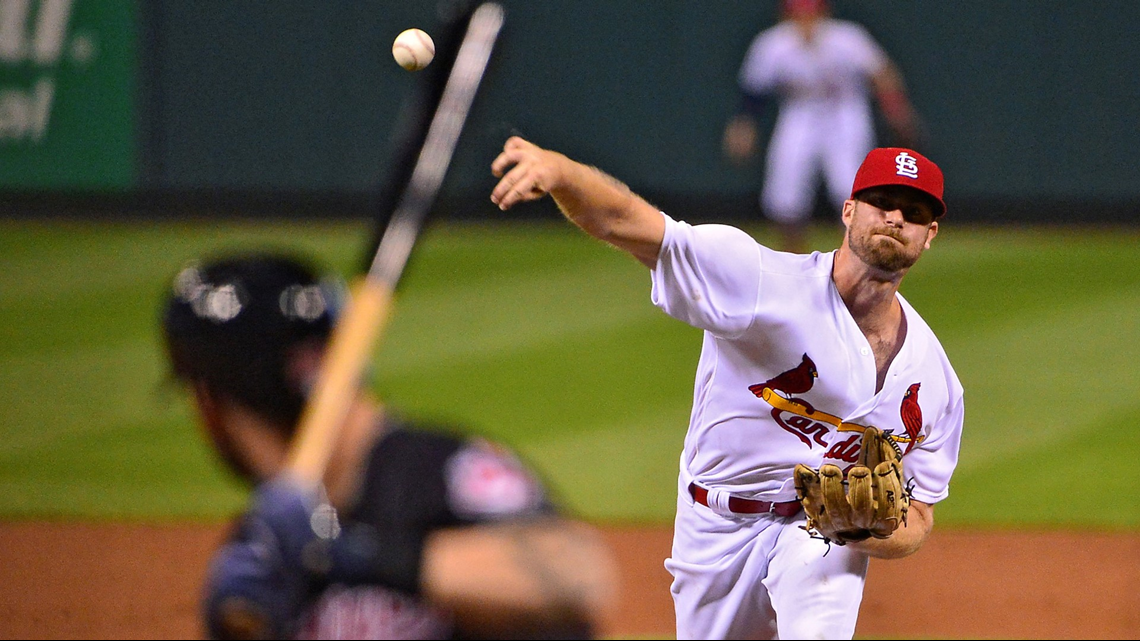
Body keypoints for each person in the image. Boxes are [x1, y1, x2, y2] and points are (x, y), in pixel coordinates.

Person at [489, 136, 963, 639]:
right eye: (882, 203)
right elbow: (630, 224)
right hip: (714, 523)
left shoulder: (934, 380)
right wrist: (563, 172)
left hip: (814, 537)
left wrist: (865, 531)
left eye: (912, 212)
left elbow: (918, 516)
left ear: (929, 234)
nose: (895, 218)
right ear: (848, 211)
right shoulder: (761, 281)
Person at [159, 252, 619, 640]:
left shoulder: (439, 470)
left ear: (212, 403)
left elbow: (577, 576)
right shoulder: (268, 545)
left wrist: (356, 555)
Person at [723, 0, 923, 253]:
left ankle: (857, 257)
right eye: (798, 15)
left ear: (823, 13)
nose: (805, 22)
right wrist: (743, 126)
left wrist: (897, 112)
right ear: (785, 16)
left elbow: (882, 75)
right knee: (784, 193)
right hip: (799, 113)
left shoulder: (848, 38)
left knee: (850, 189)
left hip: (845, 112)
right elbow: (754, 92)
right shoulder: (772, 43)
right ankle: (792, 258)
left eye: (811, 14)